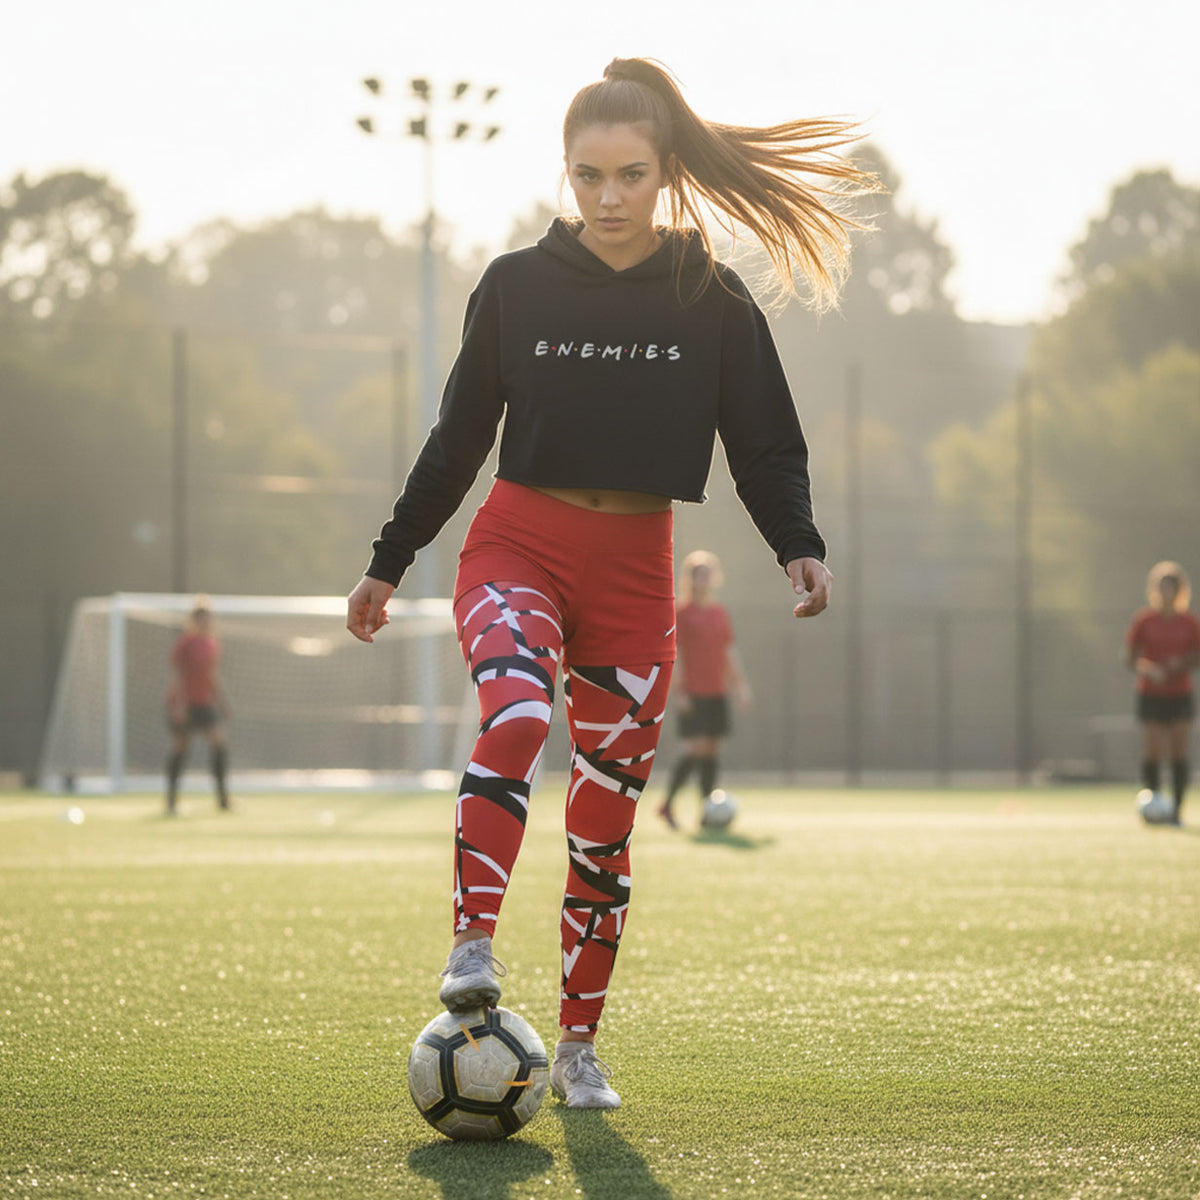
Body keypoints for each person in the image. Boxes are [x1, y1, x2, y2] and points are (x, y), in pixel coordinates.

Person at [346, 57, 874, 1108]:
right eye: (587, 175)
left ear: (667, 172)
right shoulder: (515, 284)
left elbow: (763, 440)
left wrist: (797, 542)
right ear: (566, 174)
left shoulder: (710, 295)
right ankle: (472, 946)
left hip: (636, 581)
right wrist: (389, 558)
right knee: (517, 709)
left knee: (603, 833)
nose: (608, 196)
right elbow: (458, 440)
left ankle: (580, 1048)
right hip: (519, 550)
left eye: (630, 174)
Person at [658, 550, 751, 830]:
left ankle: (706, 812)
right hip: (693, 690)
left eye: (708, 574)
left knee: (712, 749)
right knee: (695, 747)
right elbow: (678, 652)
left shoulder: (719, 612)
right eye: (699, 574)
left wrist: (740, 686)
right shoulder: (683, 613)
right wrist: (679, 691)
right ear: (690, 579)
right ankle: (667, 804)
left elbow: (728, 650)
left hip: (717, 691)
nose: (705, 579)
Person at [1125, 561, 1200, 825]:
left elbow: (1197, 655)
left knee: (1179, 753)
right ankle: (1153, 806)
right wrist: (1150, 670)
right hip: (1151, 693)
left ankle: (1177, 810)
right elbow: (1131, 659)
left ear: (1180, 590)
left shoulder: (1189, 622)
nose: (1166, 591)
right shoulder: (1144, 620)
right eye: (1162, 586)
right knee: (1152, 752)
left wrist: (1181, 664)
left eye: (1172, 586)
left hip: (1179, 693)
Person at [165, 598, 231, 815]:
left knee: (219, 744)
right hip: (184, 703)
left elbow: (211, 675)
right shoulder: (184, 643)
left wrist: (221, 700)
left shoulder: (212, 644)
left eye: (207, 618)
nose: (204, 623)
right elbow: (177, 674)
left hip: (204, 703)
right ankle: (171, 802)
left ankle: (223, 801)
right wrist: (179, 705)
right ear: (192, 620)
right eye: (200, 619)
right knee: (181, 747)